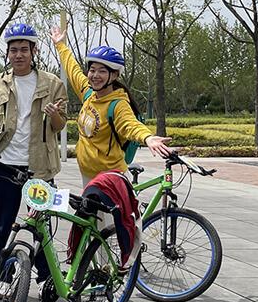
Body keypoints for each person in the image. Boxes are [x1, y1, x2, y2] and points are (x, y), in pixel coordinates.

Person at [0, 23, 66, 286]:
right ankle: (3, 279)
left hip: (40, 168)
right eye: (14, 50)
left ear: (33, 51)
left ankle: (46, 279)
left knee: (42, 227)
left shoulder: (53, 84)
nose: (19, 55)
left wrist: (54, 116)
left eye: (24, 50)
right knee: (3, 226)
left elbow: (60, 125)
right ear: (7, 53)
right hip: (7, 167)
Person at [49, 26, 172, 187]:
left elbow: (130, 124)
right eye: (92, 70)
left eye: (102, 71)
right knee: (89, 212)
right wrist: (60, 45)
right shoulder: (88, 93)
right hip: (87, 173)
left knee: (111, 213)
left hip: (109, 178)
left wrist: (147, 137)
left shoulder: (118, 104)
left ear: (114, 75)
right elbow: (73, 70)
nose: (95, 75)